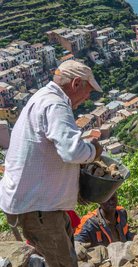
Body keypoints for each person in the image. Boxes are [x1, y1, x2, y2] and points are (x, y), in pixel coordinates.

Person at [0, 60, 103, 266]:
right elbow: (72, 151)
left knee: (64, 254)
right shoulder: (55, 105)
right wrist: (93, 150)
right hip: (39, 208)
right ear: (76, 83)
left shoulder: (44, 97)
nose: (87, 98)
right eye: (88, 91)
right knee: (63, 263)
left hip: (42, 205)